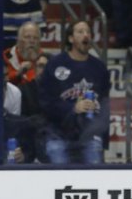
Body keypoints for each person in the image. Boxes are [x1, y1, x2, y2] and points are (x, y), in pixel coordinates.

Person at [39, 20, 110, 164]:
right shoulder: (55, 64)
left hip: (89, 134)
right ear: (70, 38)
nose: (86, 35)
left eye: (88, 32)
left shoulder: (99, 67)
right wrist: (73, 108)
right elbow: (46, 103)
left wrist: (97, 109)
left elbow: (105, 103)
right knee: (58, 169)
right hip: (58, 134)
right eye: (80, 32)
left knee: (94, 170)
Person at [4, 21, 42, 86]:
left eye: (35, 38)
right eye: (27, 37)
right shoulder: (6, 56)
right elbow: (1, 81)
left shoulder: (43, 58)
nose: (32, 41)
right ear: (18, 39)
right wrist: (18, 73)